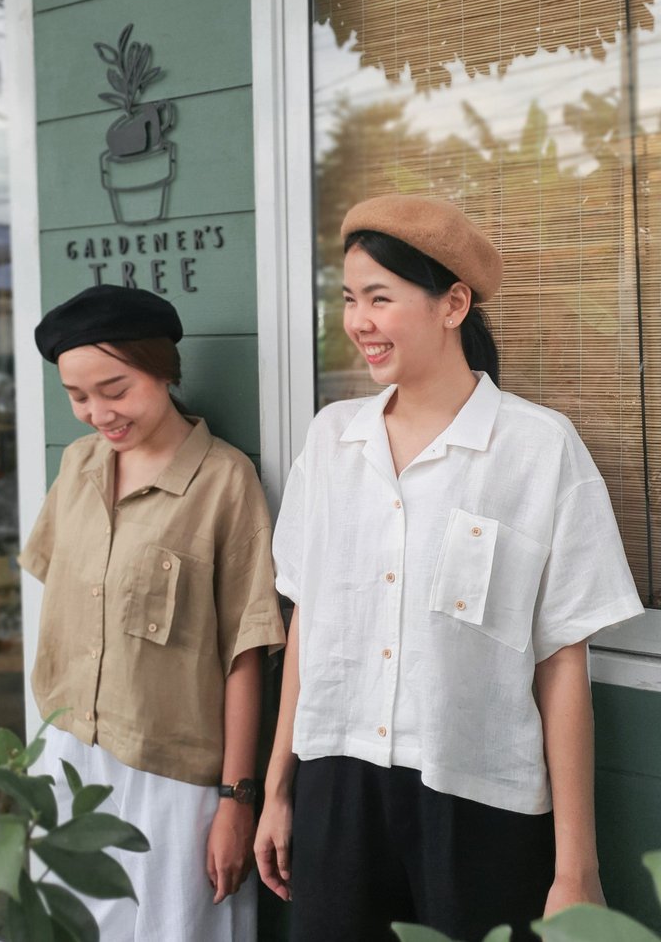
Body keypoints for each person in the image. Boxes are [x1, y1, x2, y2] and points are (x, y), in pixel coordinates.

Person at [254, 194, 644, 942]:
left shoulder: (536, 451)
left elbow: (561, 662)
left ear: (453, 303)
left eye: (380, 298)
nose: (358, 321)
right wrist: (278, 788)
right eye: (348, 299)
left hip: (478, 802)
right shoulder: (333, 441)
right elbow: (308, 618)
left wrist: (576, 868)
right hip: (337, 782)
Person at [20, 284, 285, 941]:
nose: (96, 412)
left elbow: (244, 655)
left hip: (173, 780)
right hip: (67, 755)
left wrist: (235, 800)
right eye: (77, 396)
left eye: (115, 388)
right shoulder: (77, 465)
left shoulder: (225, 482)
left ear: (164, 367)